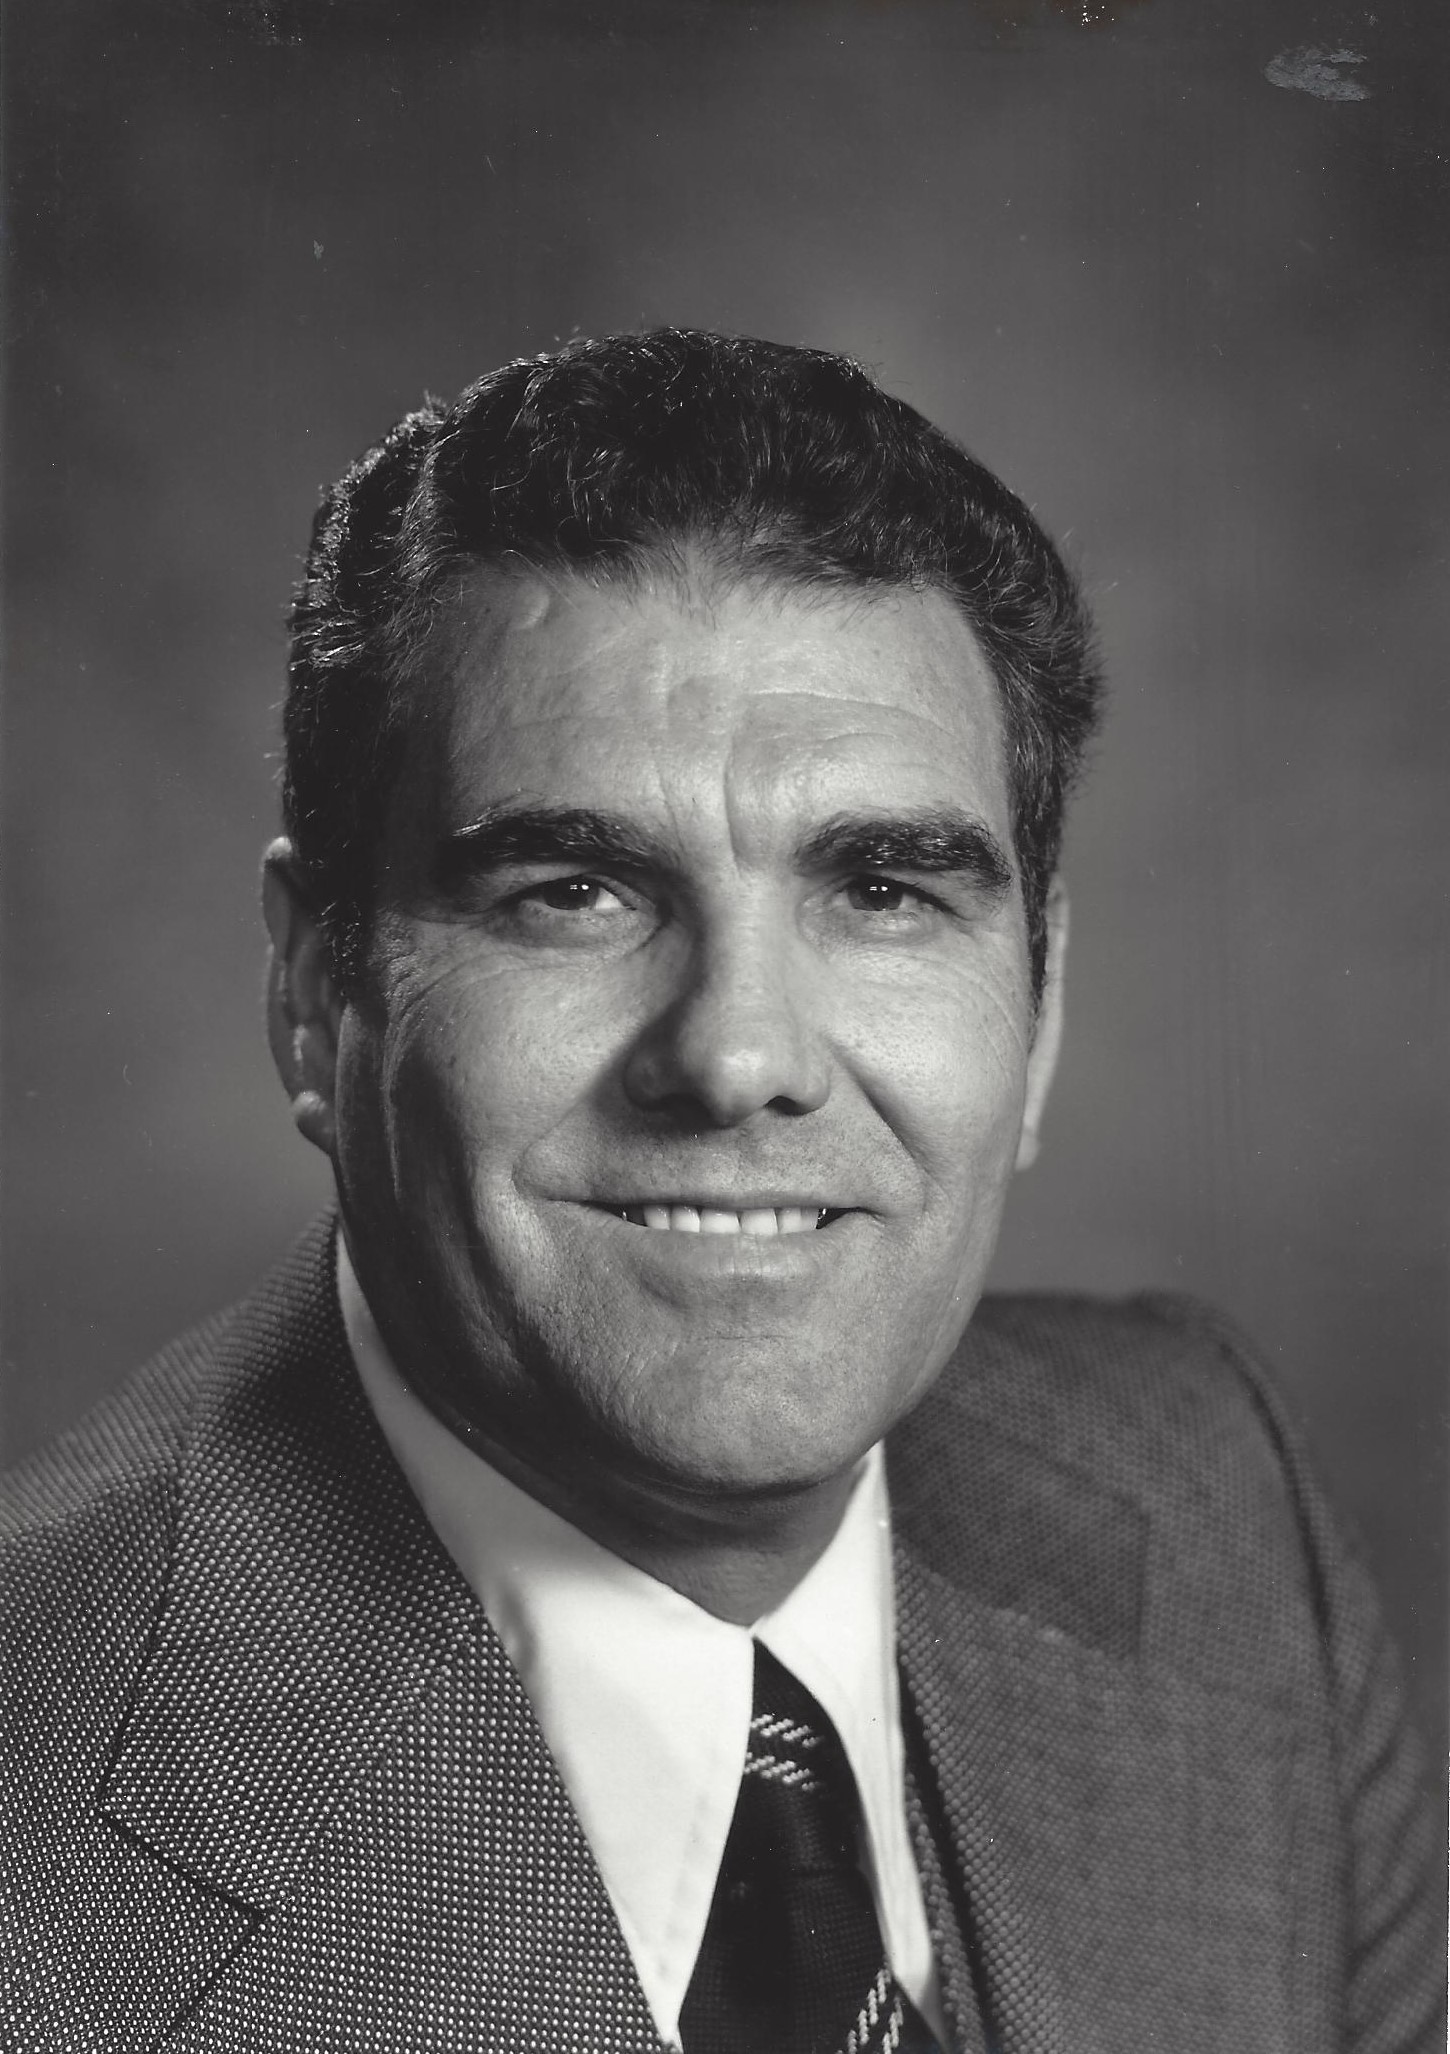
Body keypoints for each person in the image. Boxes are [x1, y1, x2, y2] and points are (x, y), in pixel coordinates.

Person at [1, 329, 1439, 2053]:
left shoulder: (1216, 1494)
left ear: (1040, 1003)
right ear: (319, 992)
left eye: (886, 890)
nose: (740, 1054)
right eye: (574, 891)